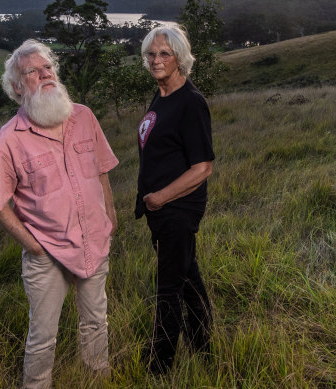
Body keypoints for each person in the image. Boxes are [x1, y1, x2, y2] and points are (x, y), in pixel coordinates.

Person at [0, 39, 118, 388]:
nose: (45, 75)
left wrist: (111, 218)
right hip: (46, 254)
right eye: (33, 71)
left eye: (49, 68)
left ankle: (97, 380)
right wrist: (34, 247)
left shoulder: (84, 116)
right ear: (17, 87)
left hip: (94, 240)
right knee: (43, 336)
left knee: (96, 322)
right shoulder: (7, 141)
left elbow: (101, 170)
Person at [134, 25, 215, 374]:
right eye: (151, 54)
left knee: (167, 289)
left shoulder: (190, 102)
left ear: (180, 57)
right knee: (187, 279)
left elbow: (202, 167)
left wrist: (159, 199)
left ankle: (159, 366)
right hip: (161, 209)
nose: (156, 60)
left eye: (164, 54)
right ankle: (204, 346)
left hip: (176, 209)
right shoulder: (162, 94)